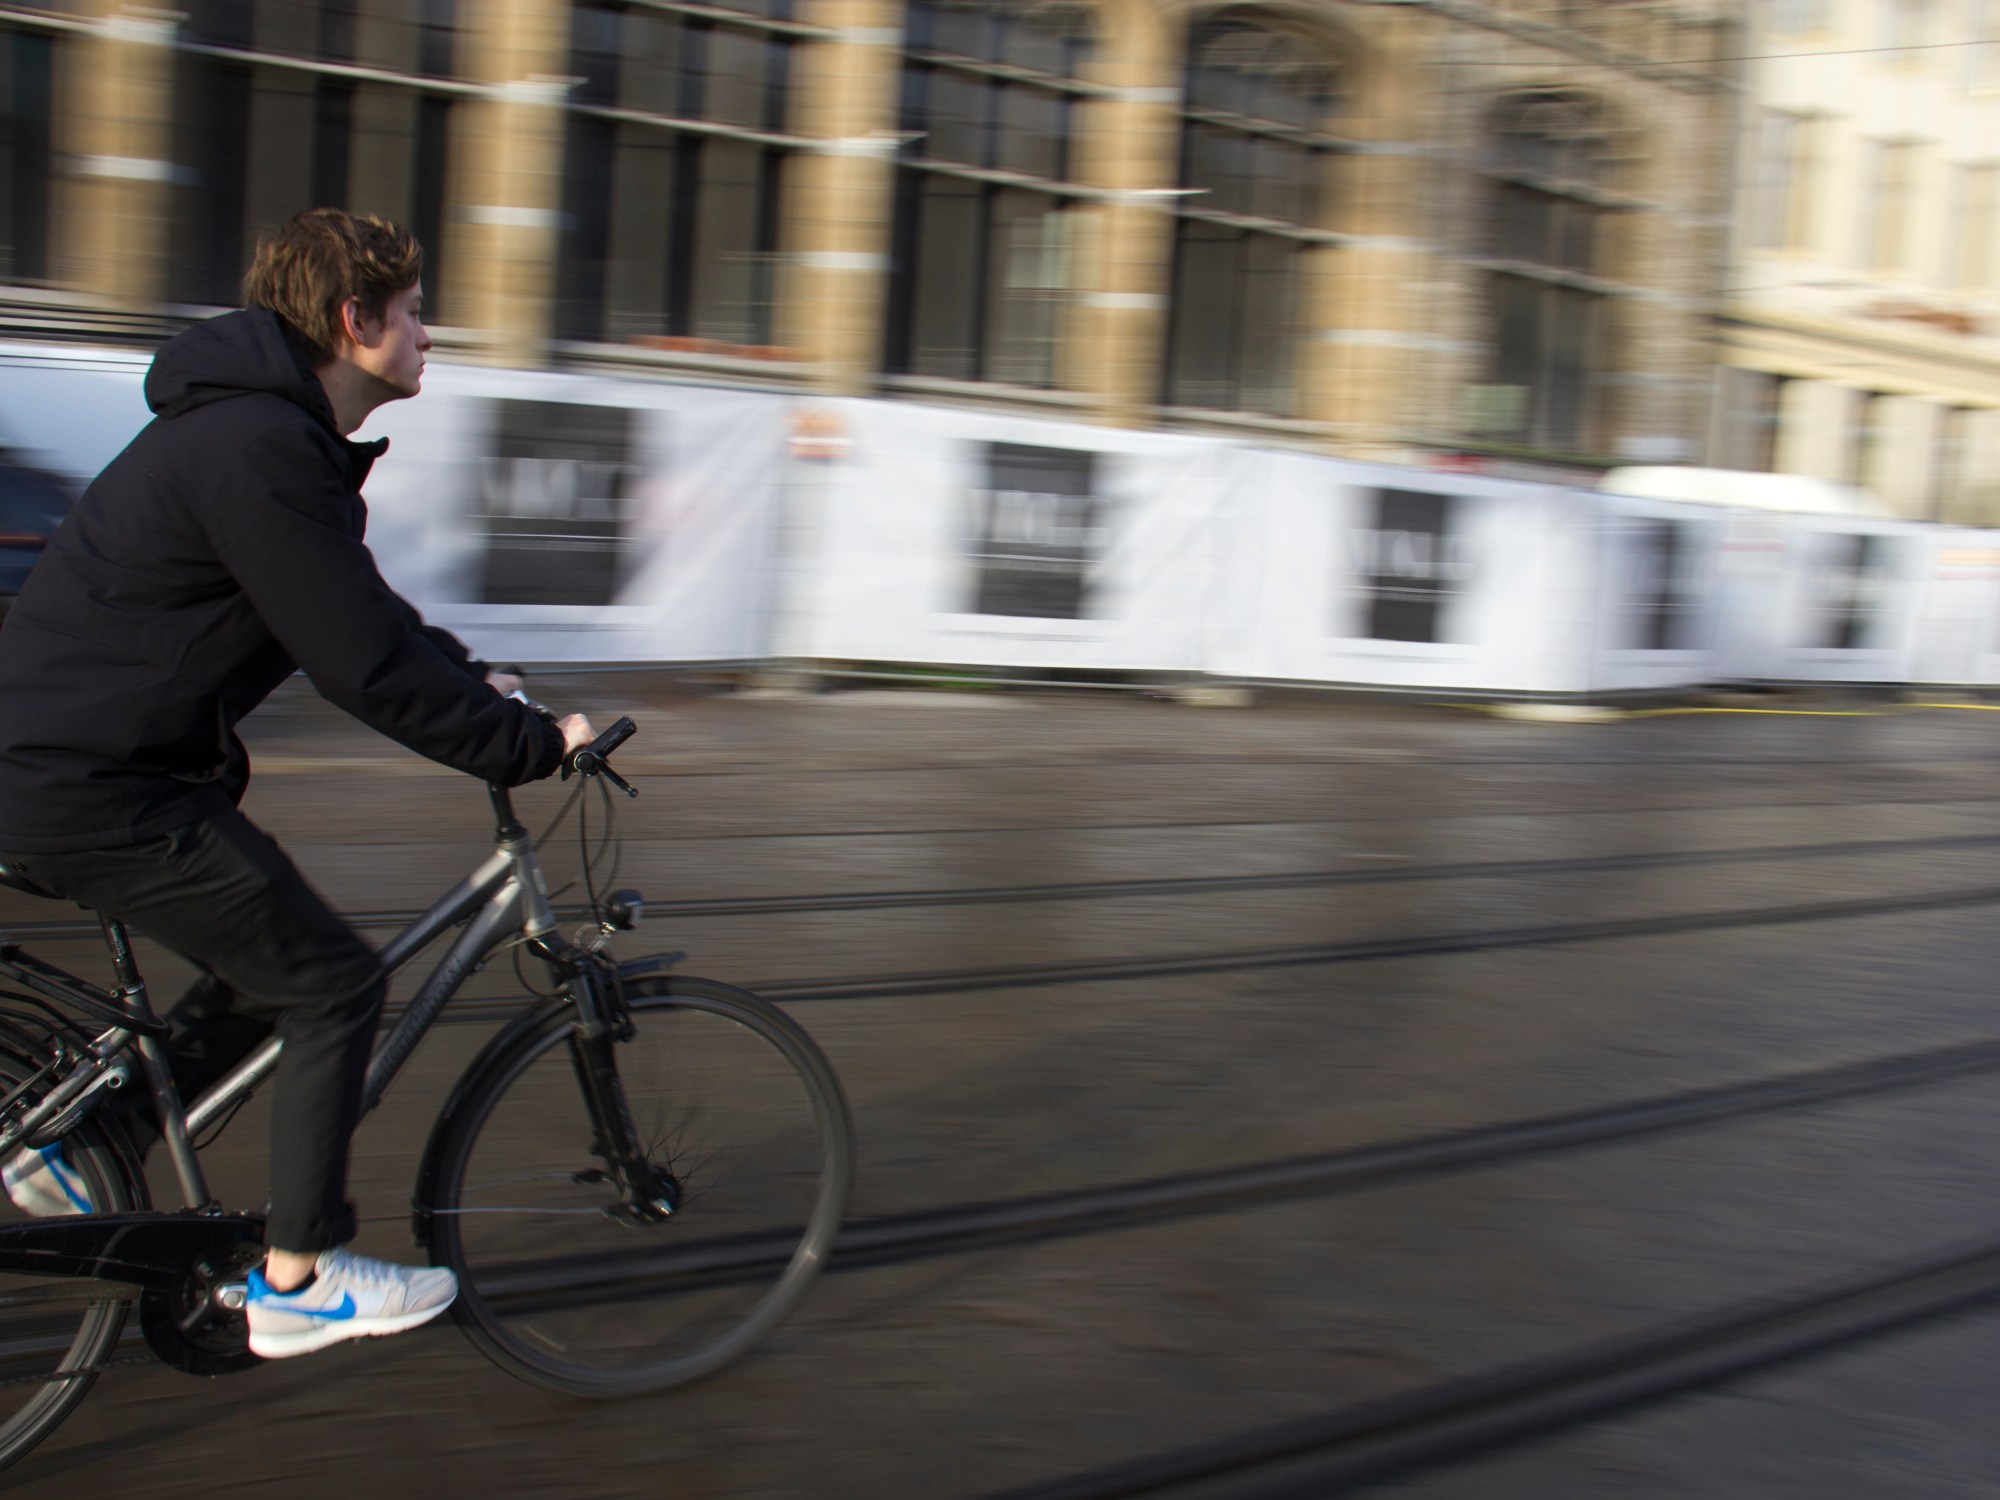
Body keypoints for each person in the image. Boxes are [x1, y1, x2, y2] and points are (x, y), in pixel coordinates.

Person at [0, 208, 593, 1360]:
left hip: (74, 773)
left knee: (261, 970)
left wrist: (480, 680)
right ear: (350, 321)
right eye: (412, 311)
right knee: (331, 984)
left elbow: (357, 609)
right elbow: (359, 663)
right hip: (89, 788)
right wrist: (524, 747)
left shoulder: (260, 438)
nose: (428, 331)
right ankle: (298, 1279)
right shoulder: (260, 448)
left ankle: (74, 1148)